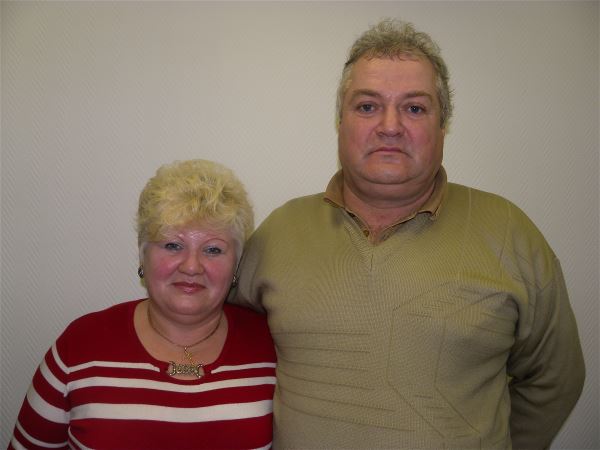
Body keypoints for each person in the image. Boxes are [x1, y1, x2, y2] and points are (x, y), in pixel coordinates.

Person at [231, 19, 585, 449]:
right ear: (340, 122)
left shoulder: (510, 234)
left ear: (442, 126)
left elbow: (555, 380)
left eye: (414, 108)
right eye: (367, 106)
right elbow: (221, 342)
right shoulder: (280, 232)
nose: (390, 126)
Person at [10, 159, 276, 449]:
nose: (191, 266)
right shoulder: (79, 346)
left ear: (236, 264)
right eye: (173, 245)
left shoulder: (272, 345)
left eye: (213, 249)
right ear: (142, 255)